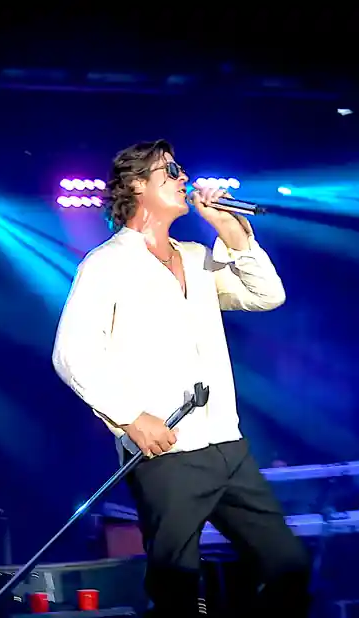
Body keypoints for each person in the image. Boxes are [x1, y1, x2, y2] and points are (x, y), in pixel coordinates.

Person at [52, 140, 311, 616]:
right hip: (168, 450)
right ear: (136, 185)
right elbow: (72, 353)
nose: (182, 178)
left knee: (288, 565)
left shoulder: (195, 256)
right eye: (169, 170)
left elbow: (266, 295)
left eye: (181, 170)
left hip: (226, 443)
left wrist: (233, 236)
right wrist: (130, 418)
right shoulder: (106, 264)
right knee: (178, 588)